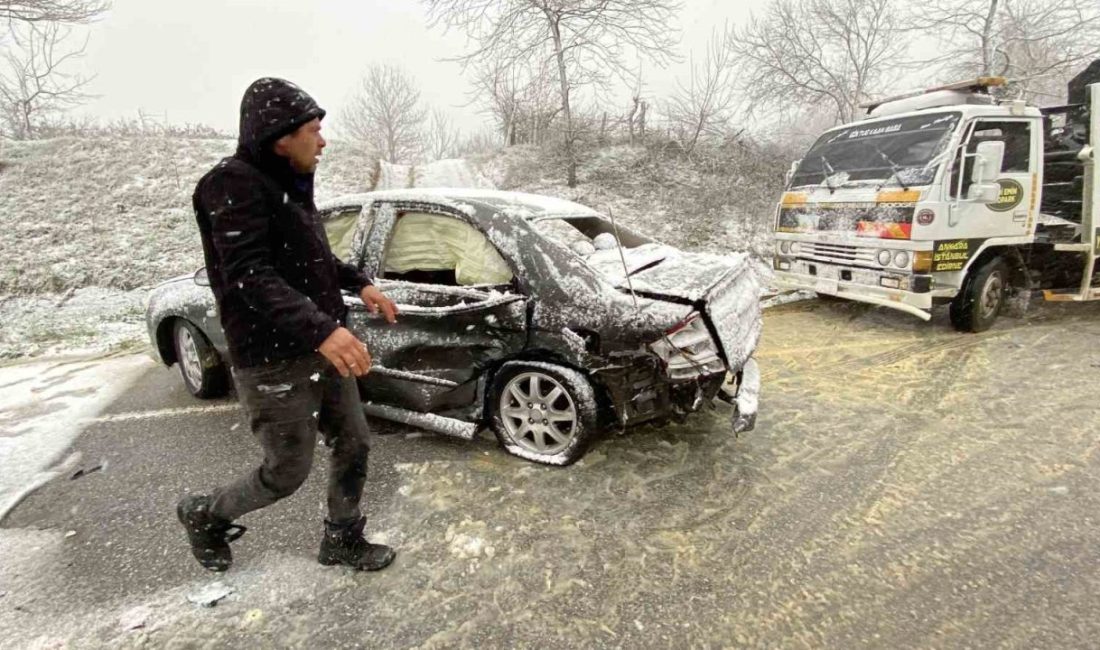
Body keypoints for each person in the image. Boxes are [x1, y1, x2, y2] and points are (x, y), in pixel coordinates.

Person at [177, 77, 398, 573]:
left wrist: (359, 283)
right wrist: (323, 329)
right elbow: (248, 276)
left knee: (354, 440)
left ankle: (342, 537)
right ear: (281, 136)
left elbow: (311, 260)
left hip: (319, 346)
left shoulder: (289, 187)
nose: (323, 141)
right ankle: (205, 514)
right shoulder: (230, 184)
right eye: (315, 130)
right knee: (286, 472)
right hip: (273, 358)